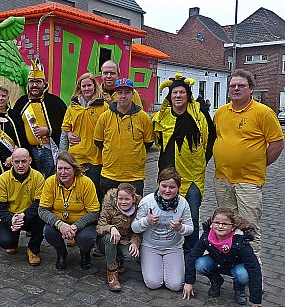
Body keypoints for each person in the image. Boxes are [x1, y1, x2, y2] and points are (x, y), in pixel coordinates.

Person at [213, 69, 284, 261]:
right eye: (232, 86)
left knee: (248, 228)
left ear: (251, 89)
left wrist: (258, 163)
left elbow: (277, 144)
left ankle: (252, 274)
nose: (236, 89)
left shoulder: (263, 113)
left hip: (249, 181)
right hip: (222, 179)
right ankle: (230, 266)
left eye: (241, 85)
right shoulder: (220, 113)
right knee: (226, 226)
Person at [153, 72, 215, 255]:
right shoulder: (162, 117)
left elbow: (209, 143)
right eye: (174, 93)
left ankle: (191, 253)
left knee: (191, 218)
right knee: (165, 215)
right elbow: (157, 142)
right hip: (168, 177)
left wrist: (199, 163)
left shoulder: (200, 117)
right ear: (170, 96)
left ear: (188, 95)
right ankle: (168, 248)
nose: (178, 96)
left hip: (193, 176)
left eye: (182, 92)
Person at [183, 207, 262, 307]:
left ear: (232, 226)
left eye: (225, 224)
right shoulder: (207, 236)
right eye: (217, 223)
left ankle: (239, 287)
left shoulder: (240, 241)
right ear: (212, 222)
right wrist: (189, 282)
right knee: (200, 264)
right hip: (217, 263)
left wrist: (255, 299)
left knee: (243, 275)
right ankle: (216, 280)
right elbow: (192, 256)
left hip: (236, 266)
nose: (220, 226)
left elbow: (254, 268)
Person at [131, 167, 193, 292]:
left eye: (172, 187)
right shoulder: (147, 201)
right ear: (158, 184)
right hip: (150, 246)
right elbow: (134, 227)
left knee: (175, 285)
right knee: (153, 283)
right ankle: (151, 263)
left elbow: (190, 229)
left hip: (173, 247)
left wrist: (180, 228)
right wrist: (146, 221)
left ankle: (169, 265)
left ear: (178, 187)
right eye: (164, 186)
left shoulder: (183, 203)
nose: (167, 190)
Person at [38, 151, 100, 270]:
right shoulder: (50, 182)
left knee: (87, 238)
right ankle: (61, 252)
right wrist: (60, 224)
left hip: (82, 223)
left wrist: (76, 226)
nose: (63, 172)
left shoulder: (86, 183)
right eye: (59, 168)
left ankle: (85, 253)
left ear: (74, 169)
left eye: (67, 168)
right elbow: (42, 210)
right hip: (59, 221)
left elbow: (94, 212)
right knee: (48, 231)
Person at [94, 78, 154, 196]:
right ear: (116, 94)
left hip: (134, 177)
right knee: (109, 212)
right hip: (109, 175)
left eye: (127, 92)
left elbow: (148, 142)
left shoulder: (143, 117)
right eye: (120, 92)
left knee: (133, 212)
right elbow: (98, 141)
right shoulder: (105, 116)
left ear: (133, 94)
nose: (123, 96)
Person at [60, 72, 109, 203]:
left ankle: (94, 217)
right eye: (84, 86)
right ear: (79, 88)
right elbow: (65, 132)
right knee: (76, 190)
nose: (87, 89)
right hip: (76, 156)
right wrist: (61, 157)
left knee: (94, 190)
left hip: (96, 158)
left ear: (95, 86)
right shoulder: (72, 107)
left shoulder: (104, 107)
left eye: (89, 85)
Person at [14, 59, 67, 178]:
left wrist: (48, 130)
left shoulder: (55, 102)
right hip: (29, 151)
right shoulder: (21, 102)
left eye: (38, 81)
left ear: (44, 83)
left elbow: (65, 124)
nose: (34, 85)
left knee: (52, 179)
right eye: (31, 81)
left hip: (50, 150)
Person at [0, 148, 45, 265]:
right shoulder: (3, 179)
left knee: (43, 217)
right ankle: (13, 240)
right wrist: (11, 219)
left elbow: (39, 204)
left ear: (30, 161)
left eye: (24, 161)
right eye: (17, 162)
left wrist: (24, 215)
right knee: (6, 242)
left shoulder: (38, 177)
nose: (20, 165)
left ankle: (33, 249)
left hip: (29, 216)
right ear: (11, 161)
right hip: (11, 217)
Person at [96, 183, 141, 291]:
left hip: (125, 240)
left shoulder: (138, 209)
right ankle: (112, 273)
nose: (123, 202)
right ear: (116, 198)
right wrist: (111, 228)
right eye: (121, 199)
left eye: (127, 199)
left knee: (132, 255)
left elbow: (139, 230)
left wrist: (135, 242)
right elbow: (99, 227)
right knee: (111, 239)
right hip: (106, 240)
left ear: (133, 199)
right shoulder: (109, 206)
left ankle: (118, 259)